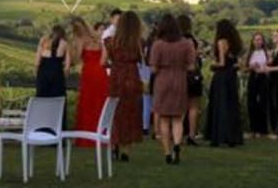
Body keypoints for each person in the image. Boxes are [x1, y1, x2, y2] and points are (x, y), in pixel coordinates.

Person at [149, 14, 197, 164]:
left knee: (164, 119)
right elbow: (191, 66)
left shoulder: (158, 45)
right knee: (177, 118)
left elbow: (153, 68)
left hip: (162, 81)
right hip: (179, 80)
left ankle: (167, 152)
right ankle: (177, 144)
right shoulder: (186, 43)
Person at [106, 11, 145, 159]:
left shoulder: (111, 41)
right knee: (131, 112)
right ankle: (126, 150)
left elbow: (105, 60)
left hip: (116, 76)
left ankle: (114, 143)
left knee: (115, 112)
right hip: (132, 76)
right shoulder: (138, 42)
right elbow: (143, 60)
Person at [204, 19, 244, 147]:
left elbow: (221, 62)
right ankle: (232, 136)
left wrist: (212, 65)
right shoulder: (234, 43)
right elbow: (236, 62)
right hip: (232, 76)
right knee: (231, 105)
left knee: (220, 105)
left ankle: (218, 136)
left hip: (222, 76)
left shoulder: (221, 42)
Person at [68, 17, 107, 147]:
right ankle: (102, 133)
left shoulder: (81, 40)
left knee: (87, 102)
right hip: (101, 73)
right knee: (100, 102)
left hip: (89, 73)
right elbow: (104, 59)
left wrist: (72, 49)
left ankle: (86, 136)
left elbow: (77, 58)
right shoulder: (100, 39)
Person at [178, 14, 204, 145]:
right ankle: (192, 134)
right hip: (192, 76)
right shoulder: (191, 40)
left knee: (181, 106)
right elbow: (193, 60)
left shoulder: (176, 40)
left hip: (180, 75)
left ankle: (179, 133)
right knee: (193, 106)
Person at [245, 32, 271, 136]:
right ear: (252, 41)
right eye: (256, 39)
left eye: (260, 39)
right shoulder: (250, 53)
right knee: (251, 103)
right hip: (252, 77)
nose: (258, 42)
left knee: (263, 103)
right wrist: (251, 67)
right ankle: (253, 129)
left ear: (263, 41)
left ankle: (263, 129)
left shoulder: (266, 53)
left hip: (263, 78)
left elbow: (269, 66)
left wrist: (264, 68)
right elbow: (245, 68)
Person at [34, 24, 69, 98]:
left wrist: (37, 72)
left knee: (42, 96)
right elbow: (67, 66)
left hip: (43, 72)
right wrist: (64, 76)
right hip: (57, 73)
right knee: (58, 97)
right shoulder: (65, 43)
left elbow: (37, 61)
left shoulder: (44, 41)